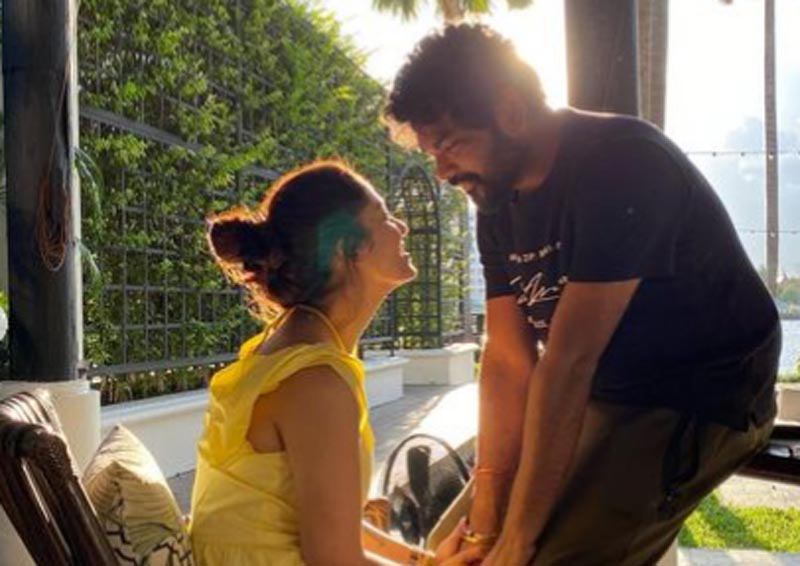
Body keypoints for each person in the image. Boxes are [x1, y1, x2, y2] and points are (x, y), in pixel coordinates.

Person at [385, 24, 781, 565]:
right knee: (451, 552)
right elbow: (508, 360)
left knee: (543, 558)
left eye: (449, 145)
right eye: (433, 153)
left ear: (510, 111)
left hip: (704, 395)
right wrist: (489, 508)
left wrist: (519, 537)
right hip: (604, 388)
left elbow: (569, 362)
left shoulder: (622, 163)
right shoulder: (497, 201)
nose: (442, 171)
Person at [189, 161, 482, 566]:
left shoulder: (294, 348)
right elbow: (334, 558)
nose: (402, 227)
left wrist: (425, 562)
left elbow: (335, 525)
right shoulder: (316, 382)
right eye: (384, 217)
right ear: (348, 249)